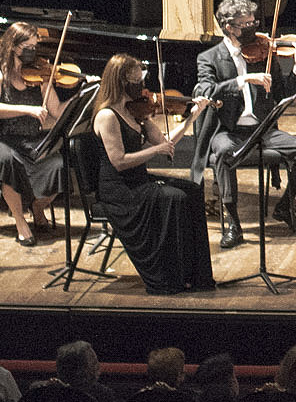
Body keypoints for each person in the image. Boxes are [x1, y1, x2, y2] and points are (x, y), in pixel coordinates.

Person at [89, 53, 215, 294]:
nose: (142, 87)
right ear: (121, 82)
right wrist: (156, 150)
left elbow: (165, 142)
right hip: (120, 190)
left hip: (138, 180)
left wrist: (192, 116)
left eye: (142, 80)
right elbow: (119, 161)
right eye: (137, 81)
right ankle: (170, 277)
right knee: (175, 198)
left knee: (191, 190)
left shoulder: (134, 111)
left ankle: (196, 275)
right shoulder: (107, 116)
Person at [189, 0, 296, 246]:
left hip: (262, 129)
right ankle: (234, 223)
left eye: (253, 22)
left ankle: (285, 206)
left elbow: (283, 93)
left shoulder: (264, 53)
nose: (253, 28)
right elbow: (207, 91)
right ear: (229, 27)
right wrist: (242, 81)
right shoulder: (209, 58)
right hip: (228, 130)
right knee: (224, 153)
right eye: (245, 24)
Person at [0, 21, 69, 246]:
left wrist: (83, 93)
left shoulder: (40, 74)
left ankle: (37, 207)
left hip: (27, 137)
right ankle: (20, 221)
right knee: (6, 159)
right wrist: (28, 110)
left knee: (59, 164)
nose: (33, 51)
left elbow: (58, 111)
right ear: (13, 46)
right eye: (28, 47)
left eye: (35, 46)